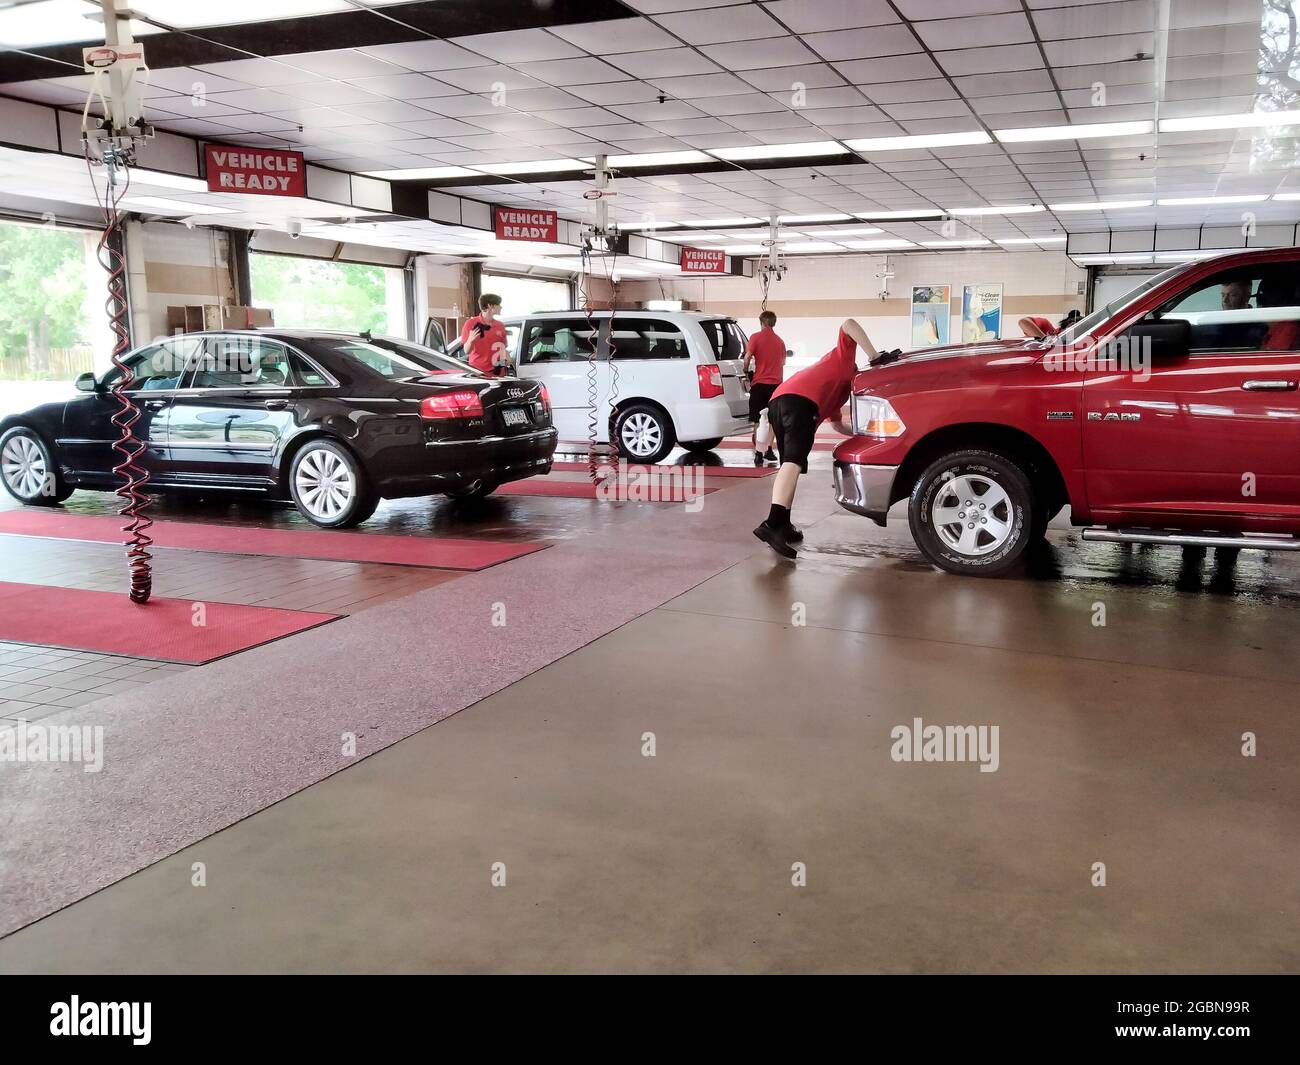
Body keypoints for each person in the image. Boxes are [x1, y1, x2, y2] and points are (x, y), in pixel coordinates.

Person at [753, 318, 889, 559]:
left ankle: (783, 522)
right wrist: (874, 355)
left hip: (781, 400)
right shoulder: (845, 361)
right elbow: (849, 324)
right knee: (793, 463)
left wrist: (865, 433)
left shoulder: (841, 392)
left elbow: (837, 424)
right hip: (799, 403)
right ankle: (772, 523)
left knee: (790, 466)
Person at [743, 309, 785, 465]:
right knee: (773, 420)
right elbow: (783, 362)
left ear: (761, 322)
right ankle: (769, 449)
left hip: (759, 384)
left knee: (758, 419)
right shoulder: (780, 341)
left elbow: (747, 357)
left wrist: (746, 371)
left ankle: (759, 453)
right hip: (776, 386)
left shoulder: (755, 337)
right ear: (774, 323)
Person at [460, 293, 510, 376]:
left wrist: (507, 358)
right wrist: (470, 340)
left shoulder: (500, 325)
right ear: (490, 306)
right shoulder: (471, 323)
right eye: (499, 305)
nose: (501, 307)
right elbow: (466, 351)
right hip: (479, 373)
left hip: (498, 372)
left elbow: (502, 348)